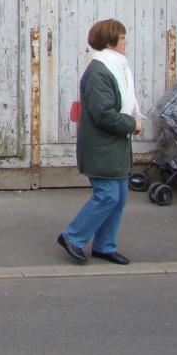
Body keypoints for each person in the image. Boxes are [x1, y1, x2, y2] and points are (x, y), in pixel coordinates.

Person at [58, 19, 142, 266]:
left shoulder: (114, 67)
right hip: (102, 147)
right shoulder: (99, 71)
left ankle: (105, 245)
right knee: (107, 196)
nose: (126, 41)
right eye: (123, 37)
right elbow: (103, 114)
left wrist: (129, 124)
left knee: (119, 196)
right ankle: (72, 237)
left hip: (113, 146)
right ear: (109, 41)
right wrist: (131, 124)